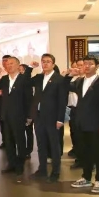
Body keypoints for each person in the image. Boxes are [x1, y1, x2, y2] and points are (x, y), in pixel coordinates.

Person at [68, 56, 99, 194]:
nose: (86, 66)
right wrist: (69, 75)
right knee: (85, 152)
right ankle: (86, 177)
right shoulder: (79, 81)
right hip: (81, 123)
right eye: (84, 64)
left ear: (96, 66)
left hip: (96, 124)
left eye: (90, 64)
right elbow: (65, 85)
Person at [29, 53, 67, 183]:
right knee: (41, 144)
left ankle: (55, 172)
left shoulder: (59, 79)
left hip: (53, 117)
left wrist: (60, 119)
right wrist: (30, 68)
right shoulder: (39, 77)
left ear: (53, 64)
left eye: (48, 61)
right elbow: (25, 81)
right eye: (43, 61)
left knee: (54, 145)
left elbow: (62, 101)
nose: (45, 64)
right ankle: (42, 169)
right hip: (39, 116)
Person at [0, 57, 33, 182]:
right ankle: (11, 163)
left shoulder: (24, 79)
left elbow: (29, 98)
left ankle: (20, 165)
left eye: (12, 63)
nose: (9, 65)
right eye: (7, 64)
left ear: (18, 65)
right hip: (6, 115)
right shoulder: (4, 79)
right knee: (8, 141)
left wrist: (29, 116)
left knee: (20, 141)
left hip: (20, 115)